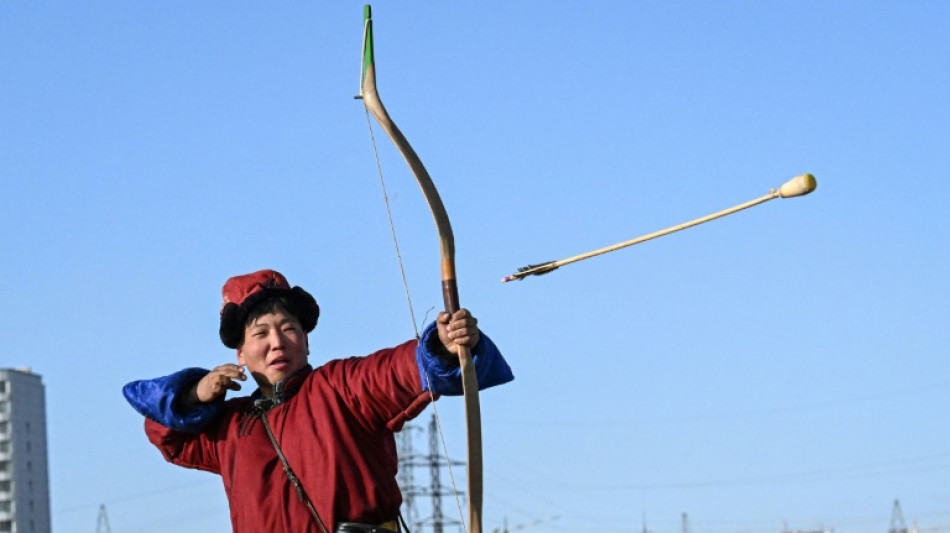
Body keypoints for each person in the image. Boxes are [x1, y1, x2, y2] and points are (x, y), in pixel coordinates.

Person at [123, 269, 513, 533]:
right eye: (260, 333)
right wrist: (194, 393)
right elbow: (164, 431)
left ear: (306, 341)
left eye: (288, 328)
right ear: (240, 353)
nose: (277, 342)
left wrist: (443, 346)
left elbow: (398, 370)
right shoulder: (230, 427)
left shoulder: (340, 388)